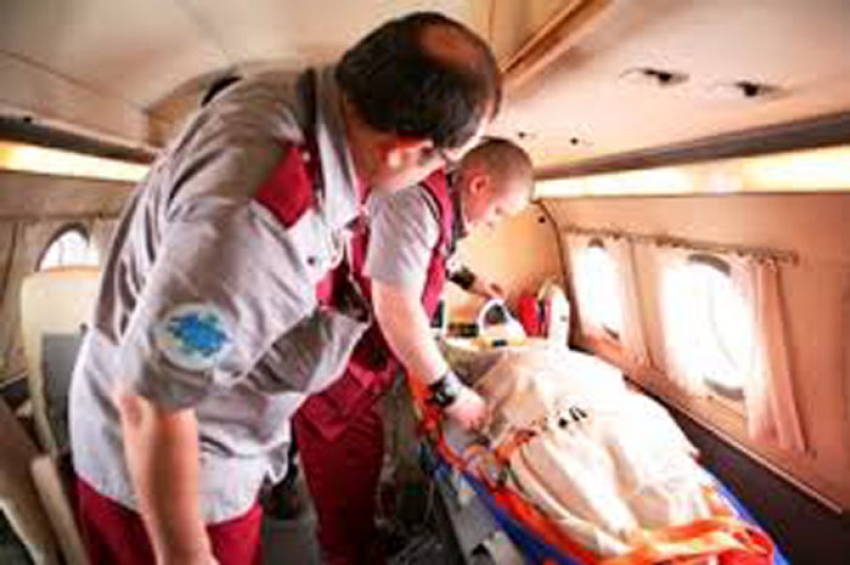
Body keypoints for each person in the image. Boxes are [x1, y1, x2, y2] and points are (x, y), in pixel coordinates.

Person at [68, 12, 500, 565]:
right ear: (403, 149)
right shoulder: (259, 221)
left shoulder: (295, 98)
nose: (439, 179)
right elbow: (154, 399)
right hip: (169, 477)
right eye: (446, 163)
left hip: (202, 432)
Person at [293, 138, 533, 564]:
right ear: (478, 184)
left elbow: (434, 251)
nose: (495, 225)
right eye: (499, 212)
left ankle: (364, 543)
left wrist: (473, 283)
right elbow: (397, 310)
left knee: (363, 468)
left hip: (361, 369)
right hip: (337, 375)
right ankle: (348, 554)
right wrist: (452, 394)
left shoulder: (440, 203)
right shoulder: (413, 203)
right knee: (343, 487)